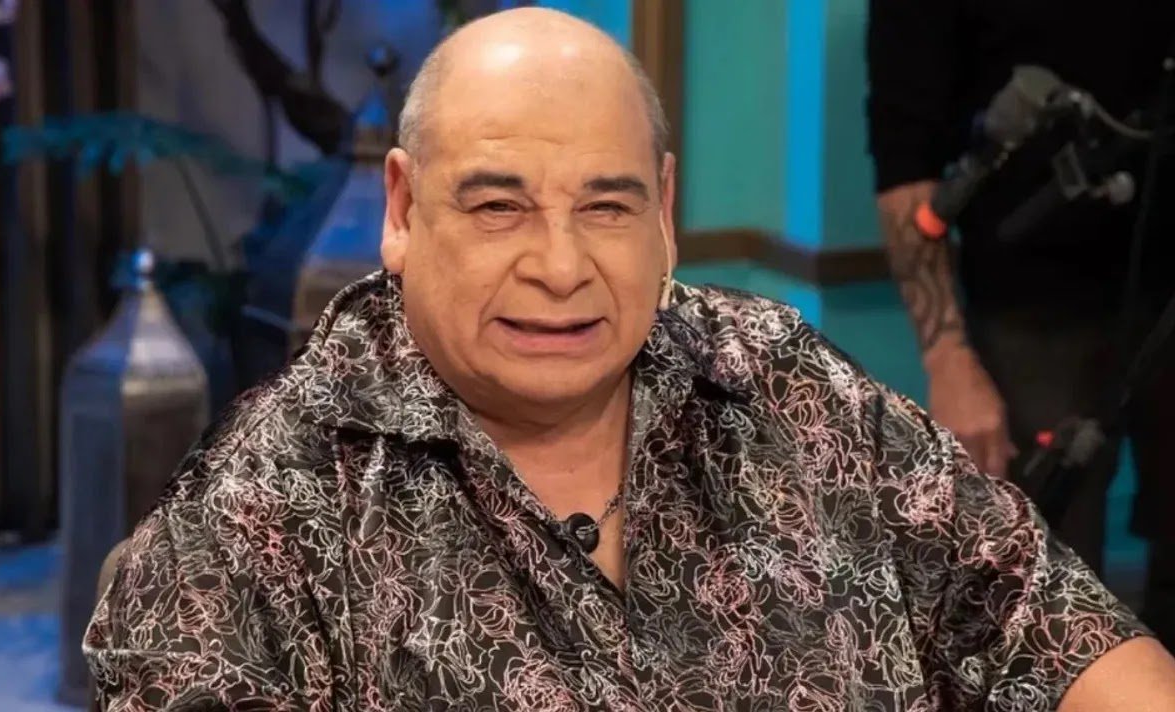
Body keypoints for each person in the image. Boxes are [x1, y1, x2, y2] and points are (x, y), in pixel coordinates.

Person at [86, 8, 1175, 710]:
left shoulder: (783, 382)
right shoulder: (257, 516)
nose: (561, 268)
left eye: (606, 207)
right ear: (405, 210)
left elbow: (1048, 624)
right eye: (499, 206)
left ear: (662, 209)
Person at [865, 1, 1175, 647]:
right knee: (1047, 599)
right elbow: (906, 163)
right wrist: (948, 360)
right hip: (1030, 315)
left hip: (1163, 299)